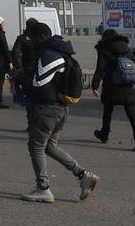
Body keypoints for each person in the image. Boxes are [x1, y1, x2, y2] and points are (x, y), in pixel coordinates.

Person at [22, 31, 99, 203]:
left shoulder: (49, 55)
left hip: (46, 110)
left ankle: (43, 188)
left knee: (36, 147)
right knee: (49, 146)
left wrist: (22, 78)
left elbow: (38, 82)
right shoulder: (65, 55)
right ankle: (83, 174)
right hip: (61, 109)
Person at [92, 29, 135, 150]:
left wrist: (94, 85)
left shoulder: (103, 49)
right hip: (127, 83)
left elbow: (100, 69)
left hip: (111, 84)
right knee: (131, 112)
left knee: (108, 110)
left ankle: (104, 134)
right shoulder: (126, 48)